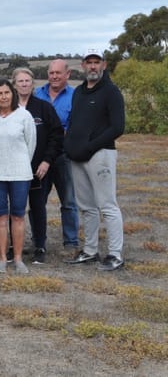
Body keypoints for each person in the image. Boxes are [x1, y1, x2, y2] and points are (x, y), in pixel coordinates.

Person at [64, 49, 126, 271]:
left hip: (100, 155)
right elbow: (75, 122)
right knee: (87, 207)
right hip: (77, 156)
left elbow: (118, 127)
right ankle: (90, 250)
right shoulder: (79, 92)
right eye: (89, 62)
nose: (92, 66)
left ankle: (115, 254)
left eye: (96, 62)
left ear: (104, 65)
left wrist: (91, 146)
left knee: (107, 205)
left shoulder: (111, 92)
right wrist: (70, 145)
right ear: (83, 65)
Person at [0, 79, 36, 275]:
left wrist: (19, 163)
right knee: (0, 215)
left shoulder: (24, 115)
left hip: (20, 173)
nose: (4, 96)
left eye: (7, 92)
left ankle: (19, 258)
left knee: (18, 215)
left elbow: (30, 144)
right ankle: (2, 258)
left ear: (12, 94)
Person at [13, 68, 63, 265]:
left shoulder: (43, 108)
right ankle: (12, 246)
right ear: (14, 84)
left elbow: (56, 136)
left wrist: (47, 161)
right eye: (20, 81)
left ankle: (39, 245)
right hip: (14, 169)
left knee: (37, 207)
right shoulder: (8, 108)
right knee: (15, 209)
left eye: (27, 81)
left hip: (38, 169)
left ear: (32, 84)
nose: (24, 84)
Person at [34, 58, 80, 250]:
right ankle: (39, 242)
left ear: (67, 74)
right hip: (40, 157)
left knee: (68, 201)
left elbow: (76, 125)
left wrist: (58, 139)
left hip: (64, 156)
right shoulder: (37, 94)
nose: (54, 76)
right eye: (51, 73)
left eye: (58, 73)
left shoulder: (76, 96)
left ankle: (70, 241)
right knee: (37, 201)